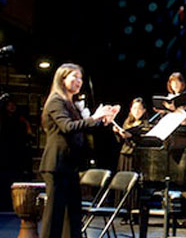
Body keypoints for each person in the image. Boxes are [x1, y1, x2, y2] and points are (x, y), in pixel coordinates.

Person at [39, 63, 119, 238]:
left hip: (70, 165)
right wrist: (95, 117)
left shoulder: (71, 103)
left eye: (80, 78)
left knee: (73, 216)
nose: (79, 81)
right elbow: (68, 127)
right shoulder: (56, 101)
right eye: (74, 76)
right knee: (55, 216)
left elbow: (83, 127)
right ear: (62, 79)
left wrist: (103, 121)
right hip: (57, 164)